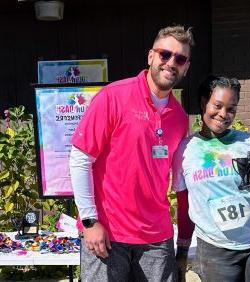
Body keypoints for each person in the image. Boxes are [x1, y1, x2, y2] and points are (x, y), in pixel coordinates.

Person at [69, 24, 194, 282]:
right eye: (165, 54)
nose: (171, 63)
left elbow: (181, 180)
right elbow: (80, 159)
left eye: (180, 59)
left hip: (156, 237)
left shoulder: (180, 118)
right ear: (151, 56)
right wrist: (90, 222)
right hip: (107, 233)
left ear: (186, 67)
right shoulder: (113, 97)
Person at [173, 76, 250, 282]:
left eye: (231, 108)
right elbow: (184, 205)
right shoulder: (185, 151)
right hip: (214, 248)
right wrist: (182, 251)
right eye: (217, 106)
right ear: (204, 103)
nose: (223, 114)